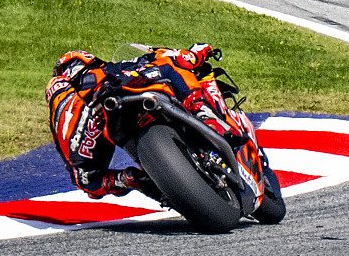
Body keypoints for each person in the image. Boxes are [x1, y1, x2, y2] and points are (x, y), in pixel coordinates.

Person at [45, 43, 226, 200]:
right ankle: (202, 111)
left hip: (109, 127)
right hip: (125, 105)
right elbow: (168, 57)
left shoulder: (60, 115)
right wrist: (198, 52)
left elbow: (85, 182)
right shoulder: (108, 69)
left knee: (88, 181)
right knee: (169, 64)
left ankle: (129, 178)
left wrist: (123, 180)